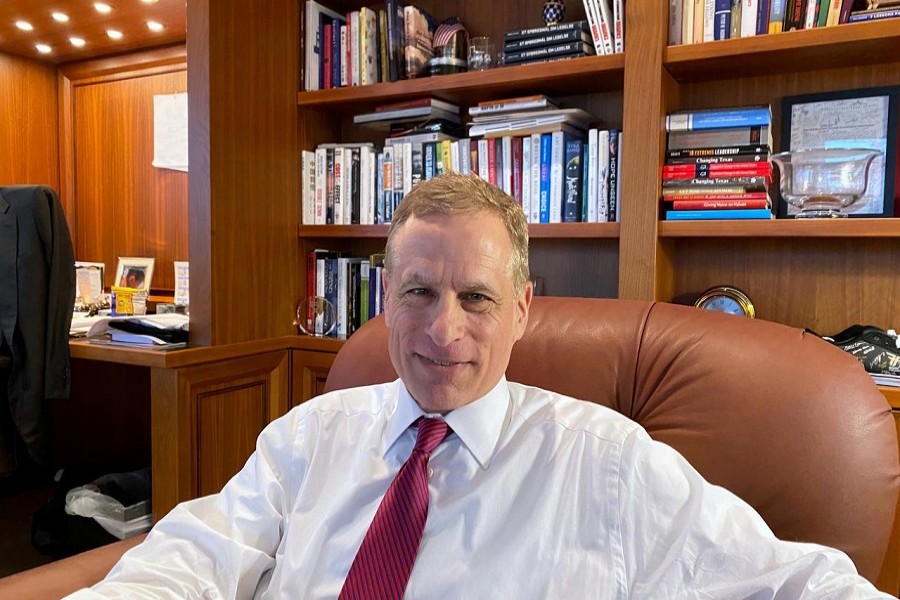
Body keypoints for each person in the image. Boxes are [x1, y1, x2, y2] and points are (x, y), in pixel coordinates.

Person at [68, 173, 891, 598]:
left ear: (524, 309)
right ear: (387, 298)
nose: (443, 331)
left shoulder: (604, 462)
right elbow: (193, 554)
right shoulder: (310, 435)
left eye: (478, 298)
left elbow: (790, 582)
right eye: (419, 292)